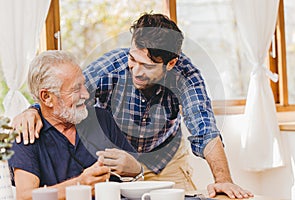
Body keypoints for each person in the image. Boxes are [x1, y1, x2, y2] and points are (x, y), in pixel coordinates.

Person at [12, 13, 253, 199]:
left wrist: (224, 179)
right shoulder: (110, 68)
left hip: (163, 158)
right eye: (132, 59)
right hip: (118, 160)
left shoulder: (186, 77)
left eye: (146, 66)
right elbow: (63, 94)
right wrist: (33, 110)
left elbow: (205, 130)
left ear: (170, 64)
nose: (135, 71)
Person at [9, 50, 142, 200]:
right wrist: (80, 184)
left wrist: (137, 169)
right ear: (46, 97)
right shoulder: (26, 133)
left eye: (83, 85)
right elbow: (25, 197)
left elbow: (138, 175)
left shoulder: (101, 118)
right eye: (76, 89)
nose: (86, 94)